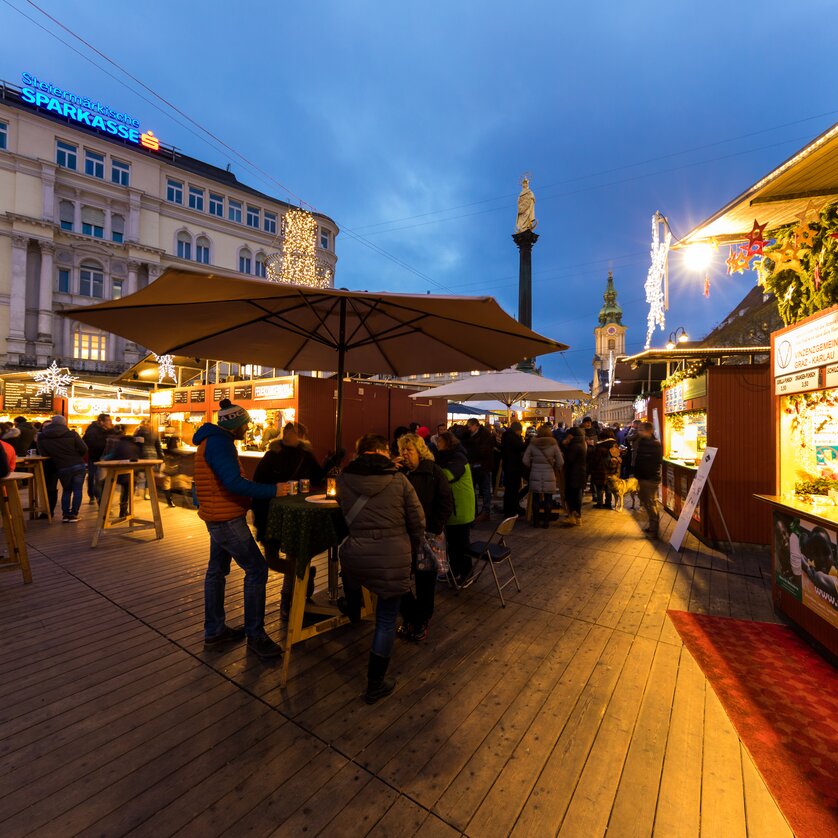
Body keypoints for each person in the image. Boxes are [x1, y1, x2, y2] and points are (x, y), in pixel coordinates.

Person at [192, 399, 288, 659]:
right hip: (226, 519)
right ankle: (255, 636)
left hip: (216, 515)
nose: (248, 429)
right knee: (256, 570)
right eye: (245, 424)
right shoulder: (221, 443)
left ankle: (214, 631)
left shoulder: (210, 441)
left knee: (216, 572)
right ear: (235, 425)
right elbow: (233, 483)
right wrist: (273, 491)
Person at [336, 433, 425, 704]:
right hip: (392, 557)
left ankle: (351, 607)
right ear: (383, 452)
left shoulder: (344, 479)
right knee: (386, 621)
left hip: (357, 554)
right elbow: (418, 522)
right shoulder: (399, 480)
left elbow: (342, 514)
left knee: (351, 572)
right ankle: (375, 684)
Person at [252, 422, 342, 620]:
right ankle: (305, 574)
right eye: (286, 430)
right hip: (270, 512)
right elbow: (257, 481)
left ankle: (289, 601)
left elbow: (318, 476)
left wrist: (331, 462)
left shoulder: (305, 455)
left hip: (296, 514)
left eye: (292, 431)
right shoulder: (271, 454)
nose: (288, 433)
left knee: (292, 554)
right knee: (271, 559)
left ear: (301, 435)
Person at [396, 433, 453, 641]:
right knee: (398, 580)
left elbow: (446, 504)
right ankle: (413, 616)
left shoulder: (434, 473)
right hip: (404, 537)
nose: (404, 454)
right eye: (402, 450)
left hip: (428, 535)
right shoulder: (399, 473)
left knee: (425, 582)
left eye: (409, 450)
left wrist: (433, 528)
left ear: (419, 451)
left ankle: (420, 622)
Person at [435, 431, 476, 584]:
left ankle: (467, 574)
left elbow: (447, 476)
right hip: (454, 509)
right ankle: (453, 571)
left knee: (461, 544)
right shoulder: (448, 457)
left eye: (439, 441)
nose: (437, 443)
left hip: (460, 509)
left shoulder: (458, 458)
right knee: (453, 544)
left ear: (448, 442)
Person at [36, 414, 87, 522]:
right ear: (64, 423)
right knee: (77, 490)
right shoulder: (72, 434)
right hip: (77, 464)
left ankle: (66, 515)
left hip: (62, 466)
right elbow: (84, 448)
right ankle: (73, 514)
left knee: (66, 490)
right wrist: (76, 455)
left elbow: (43, 453)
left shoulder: (42, 436)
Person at [523, 424, 563, 528]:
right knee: (548, 498)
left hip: (535, 473)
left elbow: (525, 460)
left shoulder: (532, 444)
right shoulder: (554, 445)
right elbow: (560, 461)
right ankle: (546, 522)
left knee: (535, 497)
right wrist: (555, 467)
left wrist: (532, 465)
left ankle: (536, 521)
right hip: (549, 473)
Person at [634, 421, 663, 537]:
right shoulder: (643, 442)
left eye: (641, 430)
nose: (638, 431)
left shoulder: (654, 444)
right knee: (649, 502)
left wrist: (644, 476)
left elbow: (653, 463)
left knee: (651, 503)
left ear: (648, 431)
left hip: (649, 478)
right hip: (643, 477)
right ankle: (653, 526)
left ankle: (654, 529)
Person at [463, 418, 495, 522]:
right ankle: (474, 511)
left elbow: (483, 451)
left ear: (476, 425)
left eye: (469, 427)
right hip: (474, 465)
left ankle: (486, 512)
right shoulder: (469, 435)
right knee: (473, 489)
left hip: (483, 465)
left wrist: (471, 450)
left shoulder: (485, 435)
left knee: (485, 489)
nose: (468, 429)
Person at [82, 413, 113, 504]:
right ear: (101, 422)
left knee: (101, 479)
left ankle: (100, 499)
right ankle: (93, 496)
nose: (110, 422)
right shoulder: (92, 430)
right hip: (95, 458)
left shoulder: (110, 430)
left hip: (106, 459)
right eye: (108, 420)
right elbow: (92, 444)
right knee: (93, 477)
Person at [562, 426, 588, 526]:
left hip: (573, 473)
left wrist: (565, 445)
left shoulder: (575, 445)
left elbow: (569, 459)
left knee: (572, 496)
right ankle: (576, 517)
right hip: (580, 473)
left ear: (572, 435)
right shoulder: (582, 443)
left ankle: (575, 517)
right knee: (577, 496)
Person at [500, 421, 526, 519]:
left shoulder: (507, 436)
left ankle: (511, 508)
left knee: (510, 490)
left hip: (509, 466)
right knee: (512, 490)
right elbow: (520, 447)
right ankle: (511, 510)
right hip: (512, 467)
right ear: (517, 430)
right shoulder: (511, 437)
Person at [591, 430, 621, 510]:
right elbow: (617, 457)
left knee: (600, 488)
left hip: (600, 470)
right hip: (612, 469)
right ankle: (608, 503)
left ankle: (599, 503)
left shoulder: (599, 446)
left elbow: (595, 459)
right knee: (609, 487)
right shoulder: (615, 445)